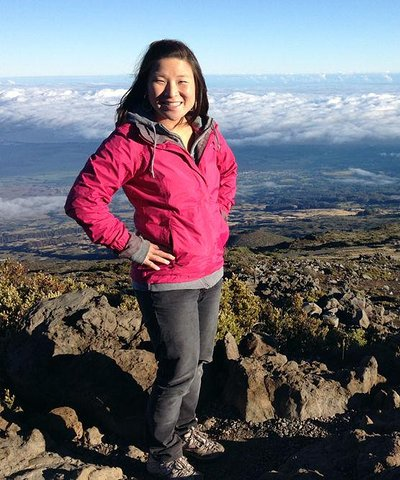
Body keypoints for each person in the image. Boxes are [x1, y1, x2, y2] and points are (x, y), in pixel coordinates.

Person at [65, 39, 237, 479]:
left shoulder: (206, 133)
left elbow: (228, 173)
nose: (172, 91)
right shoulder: (133, 140)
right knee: (178, 367)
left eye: (182, 81)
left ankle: (185, 428)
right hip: (167, 279)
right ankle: (163, 455)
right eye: (160, 80)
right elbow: (84, 200)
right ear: (145, 85)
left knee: (198, 362)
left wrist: (218, 218)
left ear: (197, 87)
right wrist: (134, 246)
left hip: (210, 270)